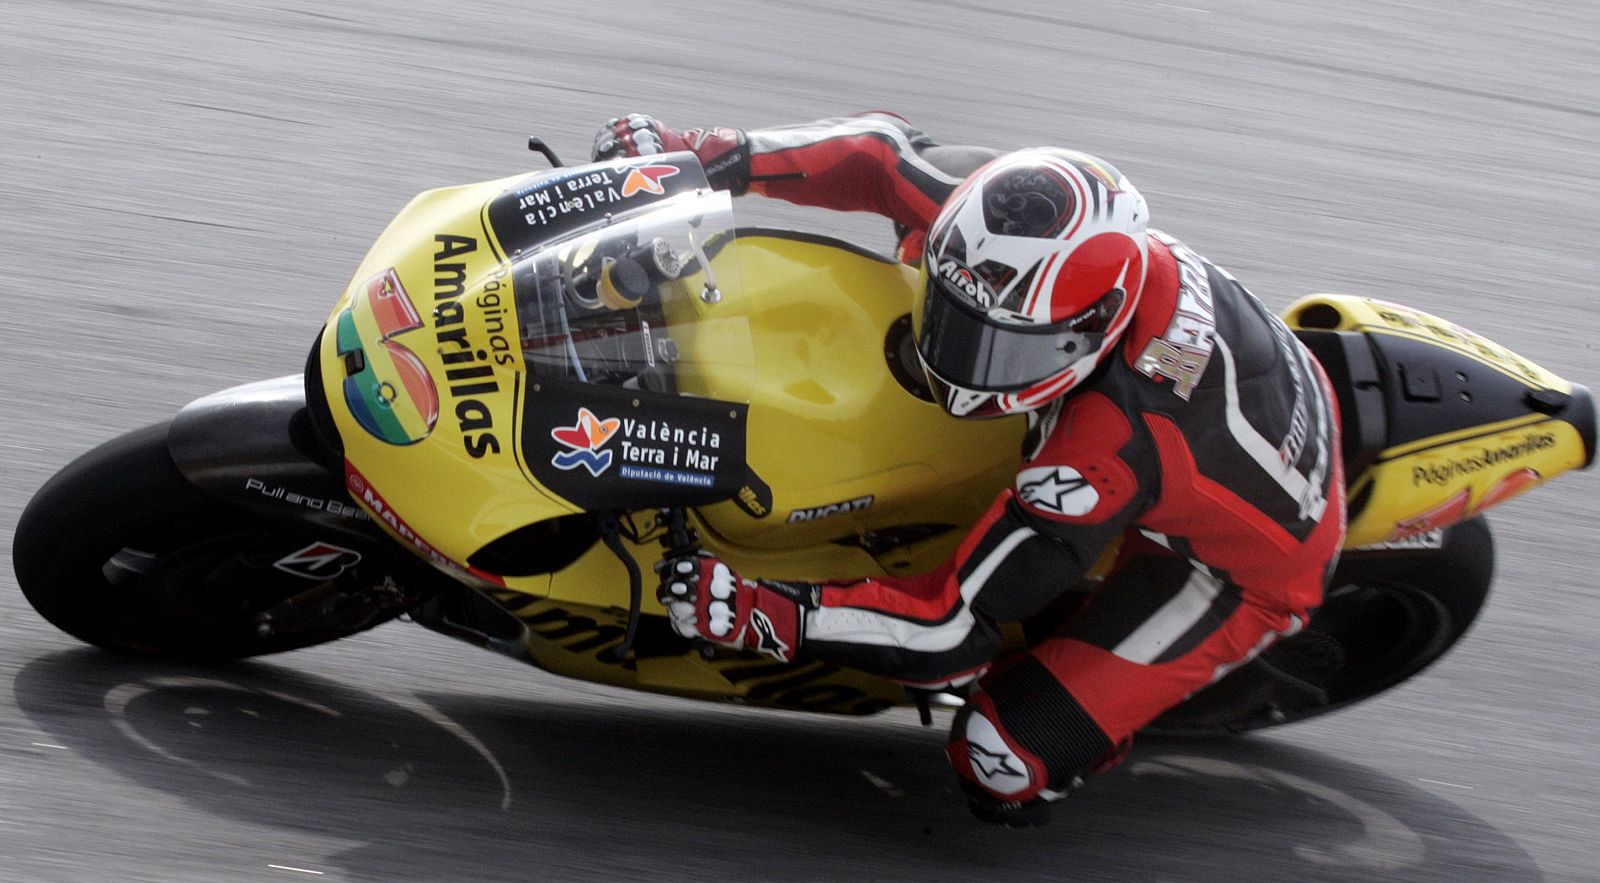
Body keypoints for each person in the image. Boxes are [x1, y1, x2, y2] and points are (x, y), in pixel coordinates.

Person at [593, 112, 1347, 826]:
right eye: (954, 319)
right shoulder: (1013, 211)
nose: (959, 359)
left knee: (1000, 759)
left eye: (1000, 348)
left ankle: (1081, 739)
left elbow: (947, 634)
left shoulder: (1107, 450)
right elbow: (880, 153)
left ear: (1086, 331)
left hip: (1237, 565)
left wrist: (764, 611)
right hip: (1225, 389)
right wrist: (703, 154)